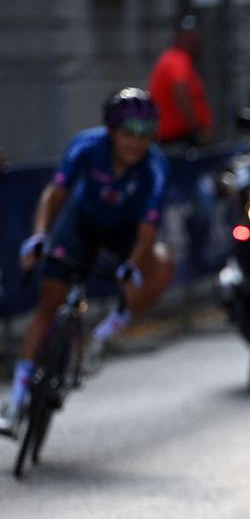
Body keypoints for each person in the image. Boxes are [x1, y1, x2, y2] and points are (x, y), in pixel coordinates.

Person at [1, 89, 175, 435]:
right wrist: (39, 236)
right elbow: (55, 193)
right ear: (111, 130)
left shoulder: (156, 167)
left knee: (163, 262)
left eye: (144, 134)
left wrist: (132, 266)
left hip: (126, 230)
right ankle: (17, 397)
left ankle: (104, 334)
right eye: (128, 132)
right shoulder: (85, 146)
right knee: (50, 302)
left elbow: (147, 230)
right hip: (83, 223)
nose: (136, 143)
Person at [147, 14, 213, 146]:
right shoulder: (176, 59)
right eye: (188, 36)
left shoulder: (177, 59)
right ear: (179, 38)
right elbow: (180, 89)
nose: (193, 39)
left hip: (178, 138)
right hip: (178, 139)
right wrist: (194, 128)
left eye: (194, 34)